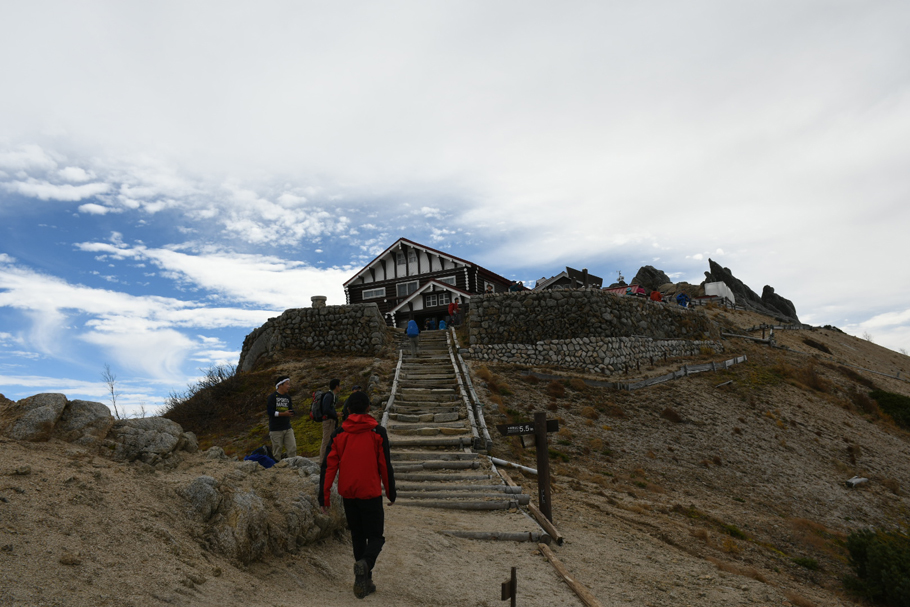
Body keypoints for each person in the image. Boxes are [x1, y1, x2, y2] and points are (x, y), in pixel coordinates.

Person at [320, 391, 396, 599]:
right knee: (376, 537)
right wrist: (391, 493)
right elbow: (384, 466)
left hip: (349, 495)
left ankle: (363, 581)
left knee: (357, 537)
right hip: (370, 493)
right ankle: (365, 565)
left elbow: (328, 467)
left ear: (349, 410)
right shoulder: (378, 432)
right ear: (368, 408)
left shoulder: (338, 434)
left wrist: (324, 497)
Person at [266, 376, 296, 459]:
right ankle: (277, 470)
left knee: (292, 448)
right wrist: (282, 414)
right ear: (280, 385)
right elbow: (270, 412)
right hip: (276, 429)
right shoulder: (272, 397)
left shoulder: (288, 397)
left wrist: (292, 412)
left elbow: (290, 409)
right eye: (287, 384)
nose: (289, 386)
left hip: (287, 427)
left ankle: (292, 467)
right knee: (277, 451)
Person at [319, 378, 341, 462]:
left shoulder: (331, 395)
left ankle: (327, 459)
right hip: (328, 421)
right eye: (339, 385)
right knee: (326, 440)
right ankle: (322, 461)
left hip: (331, 421)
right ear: (336, 386)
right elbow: (326, 409)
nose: (340, 387)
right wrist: (335, 414)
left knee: (330, 441)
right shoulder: (329, 396)